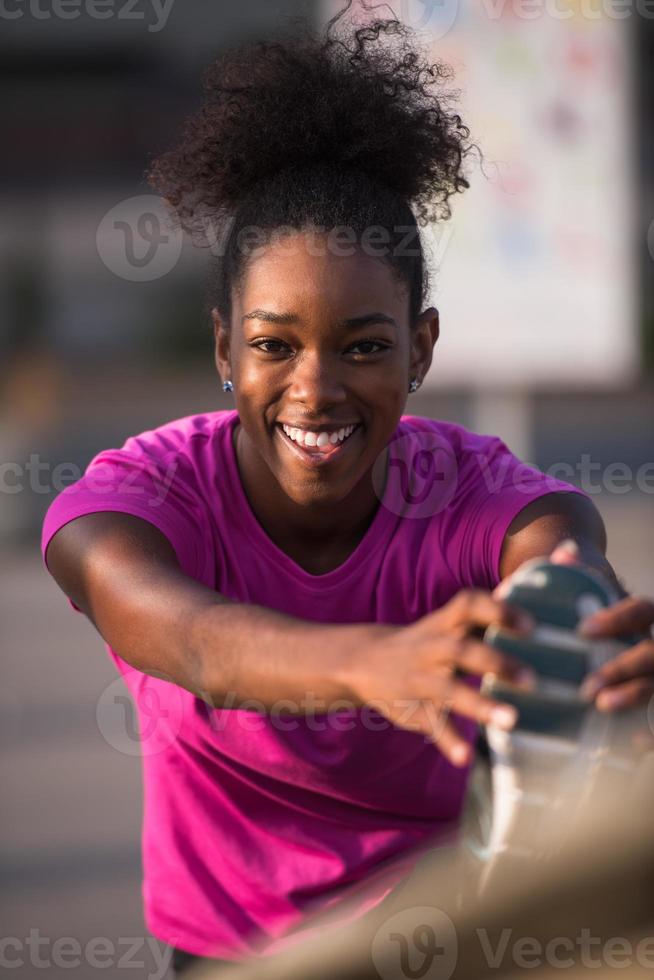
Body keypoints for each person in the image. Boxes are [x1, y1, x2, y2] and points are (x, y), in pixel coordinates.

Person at [40, 4, 654, 975]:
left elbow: (560, 558)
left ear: (421, 348)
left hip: (441, 937)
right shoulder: (140, 497)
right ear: (222, 349)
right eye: (273, 345)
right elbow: (190, 637)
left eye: (365, 345)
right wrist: (372, 662)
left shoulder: (475, 494)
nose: (316, 387)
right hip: (232, 956)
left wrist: (597, 647)